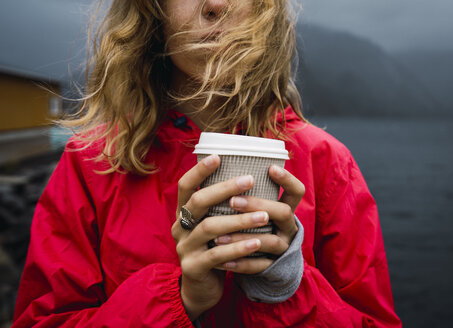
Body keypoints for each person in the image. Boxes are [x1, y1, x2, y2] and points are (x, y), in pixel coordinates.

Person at [12, 0, 402, 327]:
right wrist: (179, 298)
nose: (215, 5)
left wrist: (285, 287)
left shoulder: (326, 163)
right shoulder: (92, 163)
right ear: (153, 10)